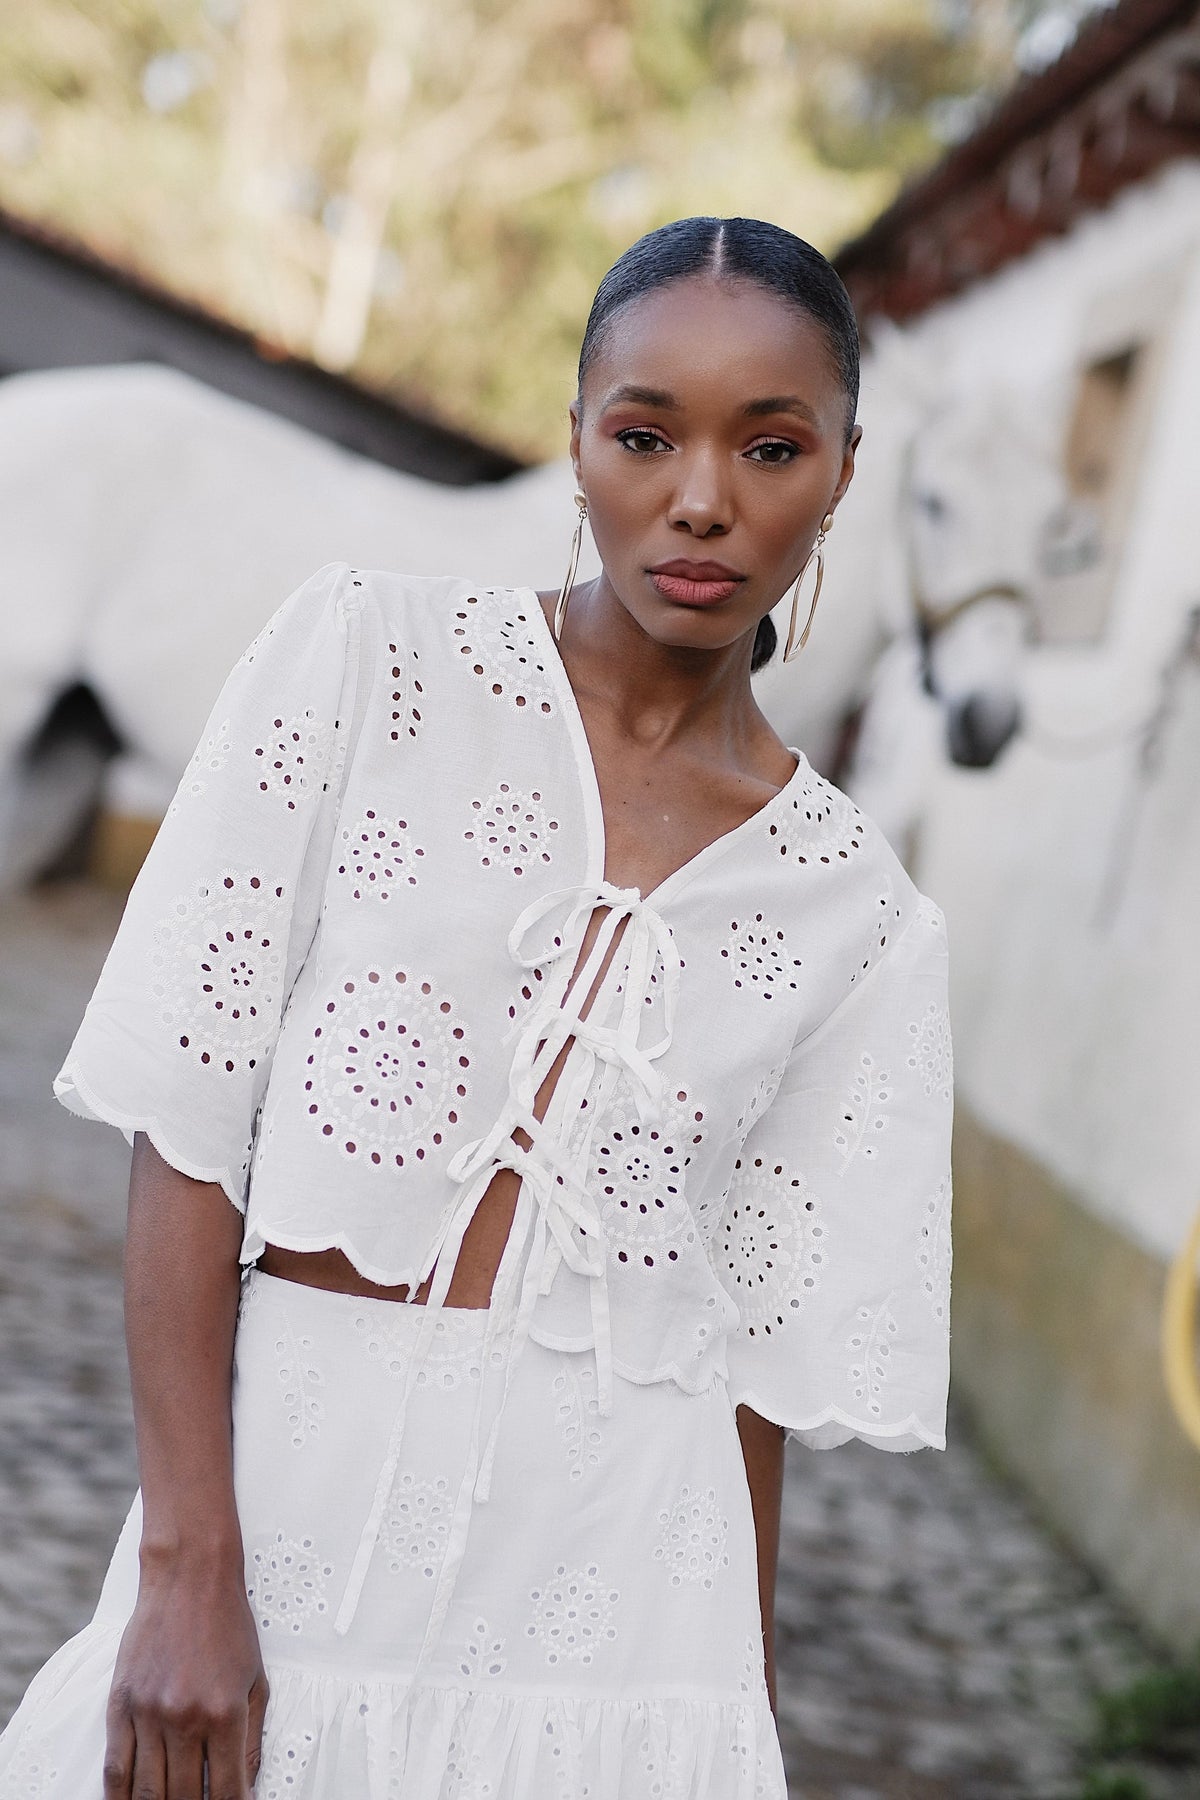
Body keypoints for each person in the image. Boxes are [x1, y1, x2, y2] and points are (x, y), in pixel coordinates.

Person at [0, 215, 952, 1800]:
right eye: (645, 435)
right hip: (285, 1519)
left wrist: (739, 1721)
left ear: (842, 468)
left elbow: (752, 1373)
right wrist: (182, 1566)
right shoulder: (363, 663)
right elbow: (189, 1129)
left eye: (772, 446)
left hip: (623, 1618)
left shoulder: (857, 911)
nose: (702, 499)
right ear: (575, 439)